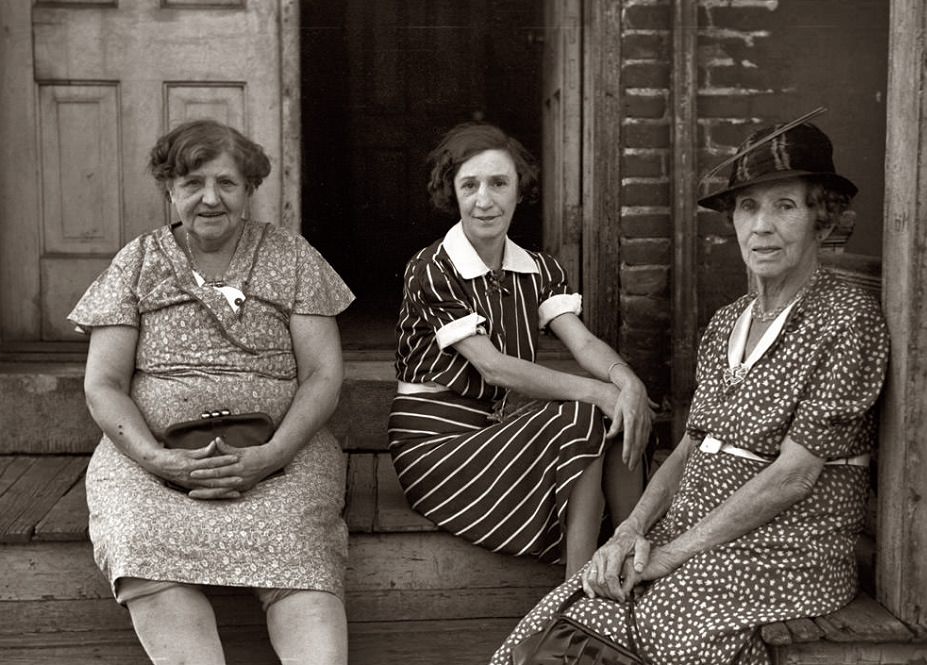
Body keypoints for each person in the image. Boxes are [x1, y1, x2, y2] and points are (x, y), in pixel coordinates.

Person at [491, 119, 889, 664]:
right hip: (696, 529)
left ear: (821, 219)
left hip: (787, 547)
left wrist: (672, 555)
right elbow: (689, 448)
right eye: (748, 208)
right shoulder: (726, 323)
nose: (762, 227)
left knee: (667, 625)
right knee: (574, 610)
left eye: (785, 206)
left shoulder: (847, 320)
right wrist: (630, 531)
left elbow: (794, 474)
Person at [68, 119, 354, 665]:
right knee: (141, 536)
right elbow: (103, 383)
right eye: (193, 183)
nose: (209, 198)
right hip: (152, 456)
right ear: (170, 190)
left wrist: (271, 455)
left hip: (281, 452)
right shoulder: (138, 261)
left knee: (297, 540)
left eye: (226, 183)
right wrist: (157, 458)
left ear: (249, 190)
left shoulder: (292, 257)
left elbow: (323, 375)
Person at [388, 122, 655, 577]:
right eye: (469, 185)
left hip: (501, 437)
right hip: (438, 450)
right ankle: (579, 588)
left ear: (518, 190)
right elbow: (493, 368)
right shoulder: (432, 267)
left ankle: (627, 562)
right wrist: (597, 392)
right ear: (452, 193)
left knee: (617, 409)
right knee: (584, 411)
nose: (484, 200)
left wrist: (627, 383)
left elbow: (583, 341)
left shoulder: (538, 269)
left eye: (498, 183)